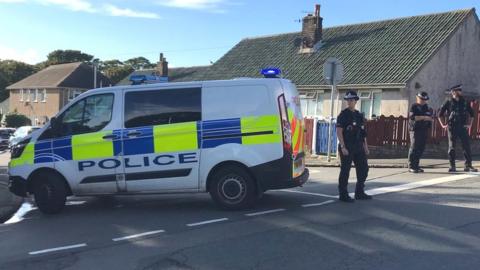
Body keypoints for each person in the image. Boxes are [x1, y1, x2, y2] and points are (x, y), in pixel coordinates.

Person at [336, 91, 372, 203]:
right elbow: (339, 131)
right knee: (345, 170)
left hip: (358, 146)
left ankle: (359, 192)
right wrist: (343, 146)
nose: (349, 102)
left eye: (352, 100)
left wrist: (365, 147)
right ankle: (343, 194)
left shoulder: (358, 115)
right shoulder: (343, 115)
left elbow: (362, 133)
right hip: (347, 146)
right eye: (348, 100)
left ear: (356, 101)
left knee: (364, 169)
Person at [438, 84, 478, 172]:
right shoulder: (448, 101)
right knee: (452, 147)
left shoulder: (464, 101)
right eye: (458, 90)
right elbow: (440, 114)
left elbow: (472, 114)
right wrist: (443, 125)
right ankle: (452, 166)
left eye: (460, 90)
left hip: (462, 127)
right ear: (453, 92)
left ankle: (468, 165)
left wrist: (469, 124)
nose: (460, 92)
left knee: (466, 146)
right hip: (452, 127)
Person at [408, 92, 434, 173]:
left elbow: (430, 118)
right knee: (414, 147)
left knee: (421, 148)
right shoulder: (414, 106)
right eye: (422, 99)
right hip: (415, 129)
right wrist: (424, 117)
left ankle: (416, 165)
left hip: (424, 129)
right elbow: (413, 117)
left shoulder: (426, 107)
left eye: (425, 100)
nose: (423, 101)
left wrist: (425, 118)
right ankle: (411, 166)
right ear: (417, 98)